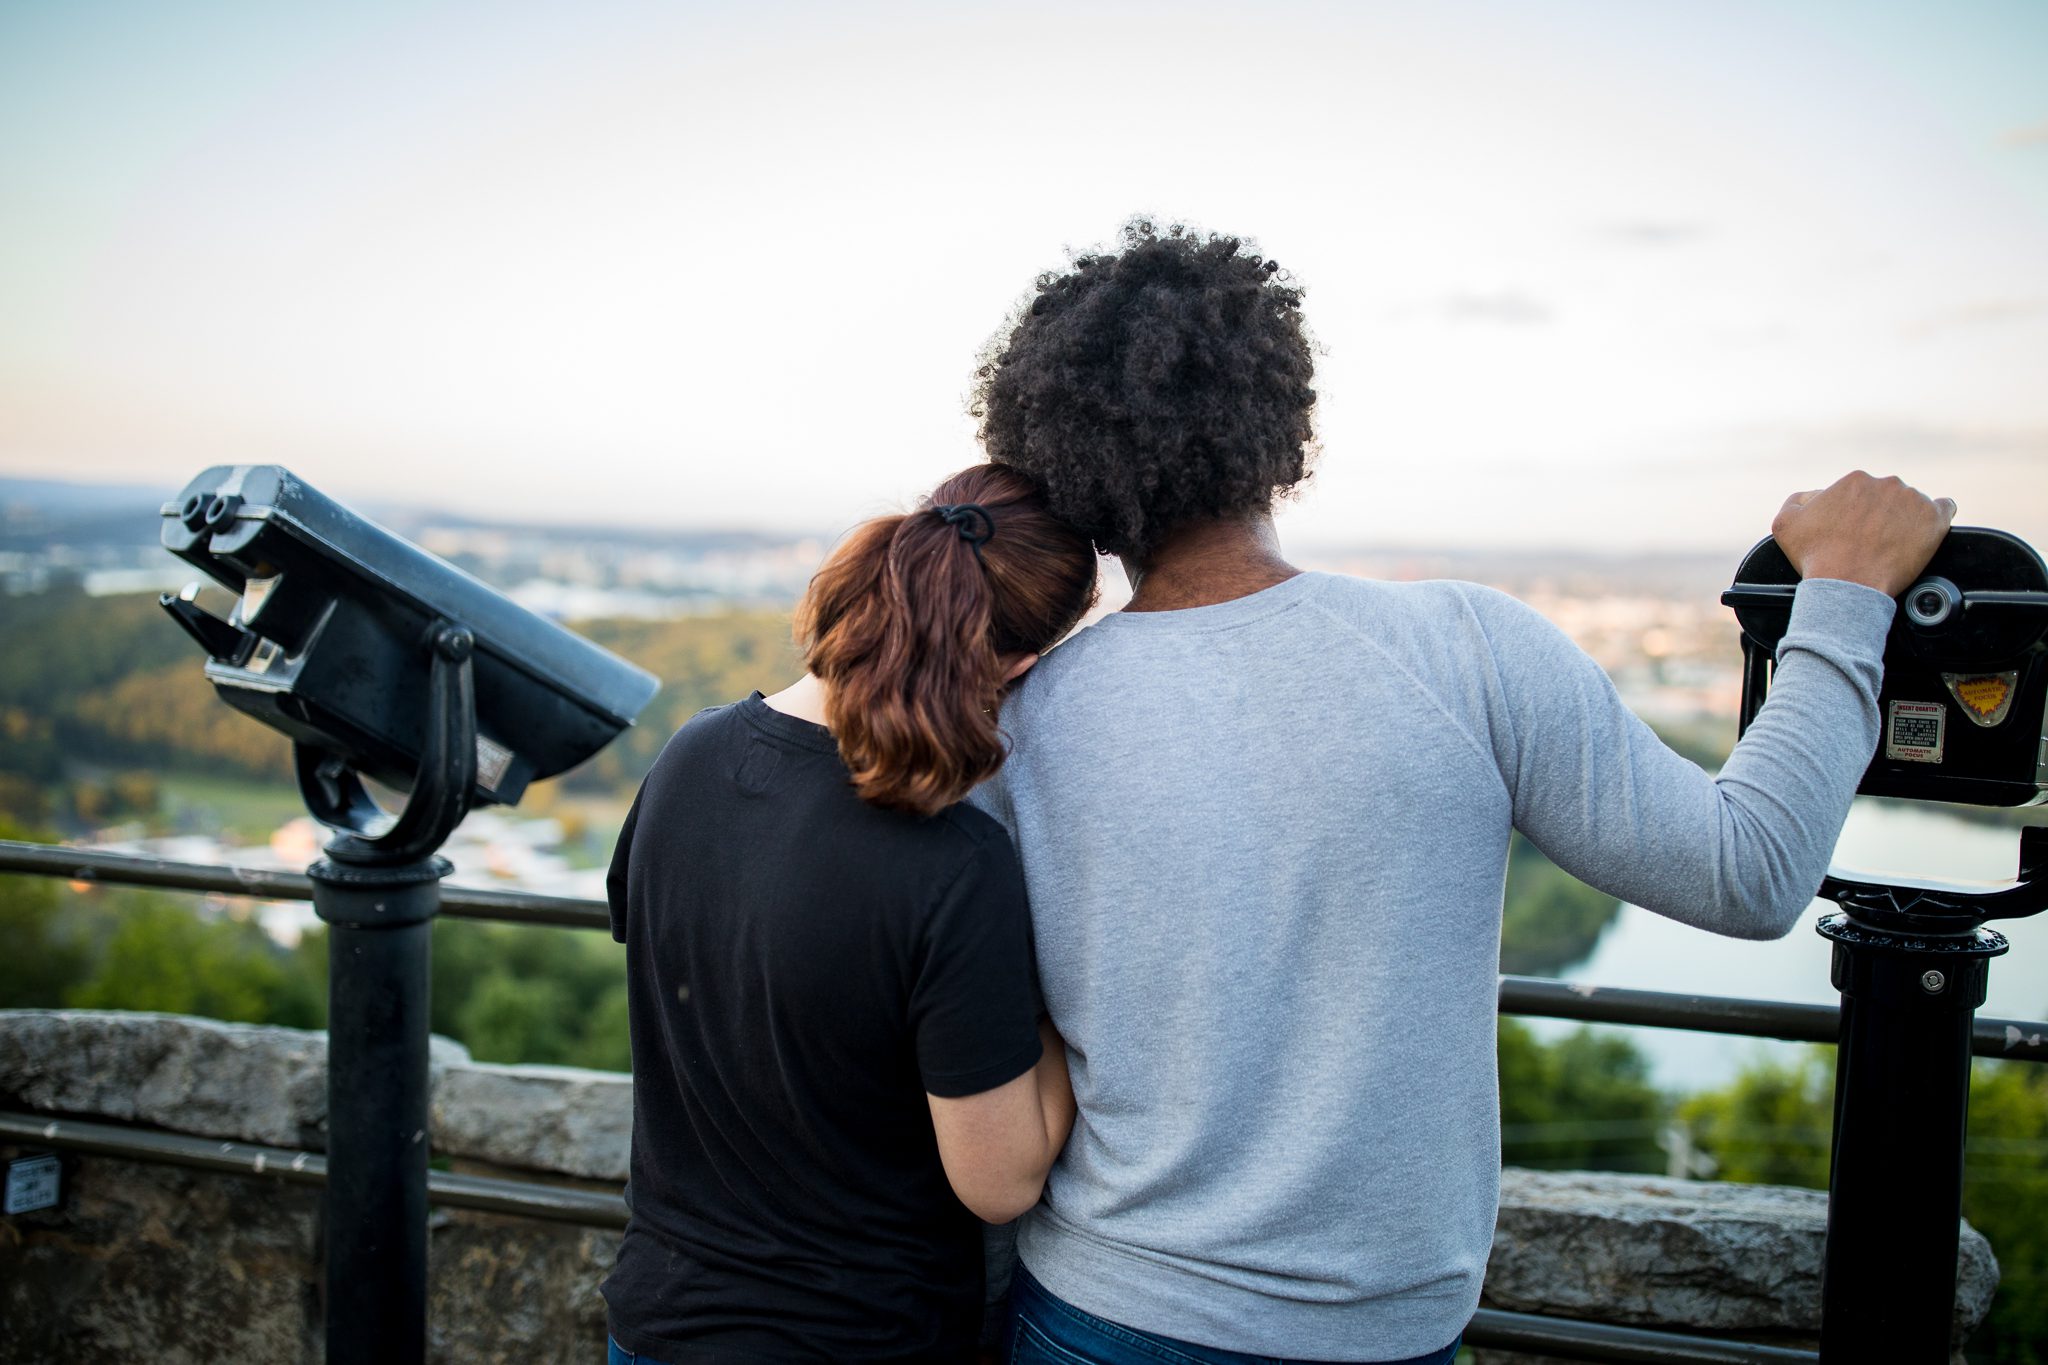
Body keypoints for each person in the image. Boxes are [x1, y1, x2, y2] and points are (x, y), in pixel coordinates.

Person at [965, 220, 1956, 1365]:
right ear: (1280, 419)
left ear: (1061, 463)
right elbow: (1749, 873)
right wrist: (1843, 594)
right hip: (1384, 1331)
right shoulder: (1468, 650)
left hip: (1097, 1311)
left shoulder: (1017, 723)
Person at [601, 463, 1098, 1363]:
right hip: (851, 1338)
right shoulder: (953, 864)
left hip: (656, 1322)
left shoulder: (689, 755)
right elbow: (1000, 1181)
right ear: (1020, 665)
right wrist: (1066, 1014)